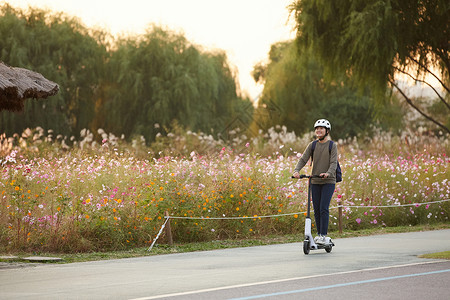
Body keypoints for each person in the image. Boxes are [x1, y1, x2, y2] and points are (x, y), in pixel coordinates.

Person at [292, 119, 338, 245]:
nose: (319, 130)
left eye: (321, 128)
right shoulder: (312, 145)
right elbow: (303, 159)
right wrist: (296, 171)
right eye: (317, 128)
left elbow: (334, 163)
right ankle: (319, 235)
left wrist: (328, 173)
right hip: (315, 180)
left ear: (327, 131)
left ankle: (323, 235)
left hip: (328, 181)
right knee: (316, 209)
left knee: (323, 207)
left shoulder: (332, 145)